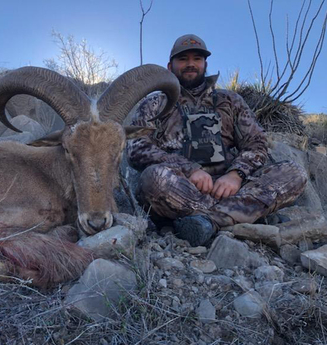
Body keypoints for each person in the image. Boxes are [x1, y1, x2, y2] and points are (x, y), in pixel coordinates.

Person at [127, 34, 308, 246]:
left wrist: (235, 175)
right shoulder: (154, 103)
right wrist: (189, 170)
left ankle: (205, 222)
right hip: (180, 188)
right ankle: (239, 215)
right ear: (170, 66)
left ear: (205, 64)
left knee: (295, 173)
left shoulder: (230, 100)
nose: (191, 64)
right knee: (153, 178)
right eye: (183, 59)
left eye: (197, 58)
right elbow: (137, 148)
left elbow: (257, 143)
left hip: (231, 188)